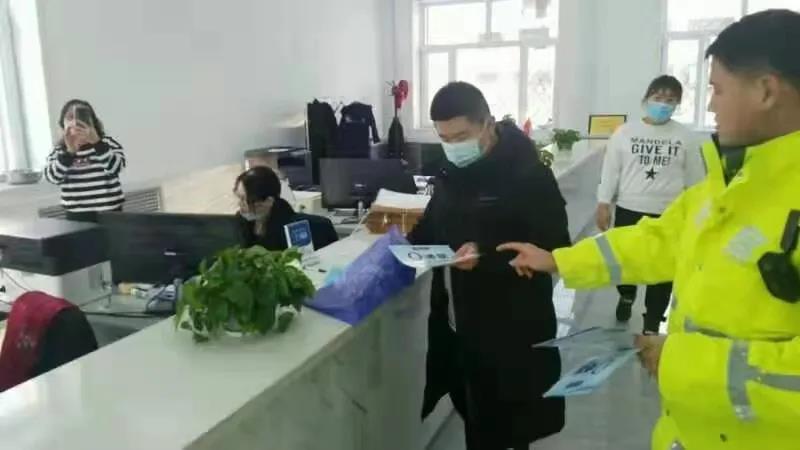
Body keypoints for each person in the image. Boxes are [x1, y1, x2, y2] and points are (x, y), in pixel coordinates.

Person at [498, 9, 800, 449]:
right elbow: (657, 241)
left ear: (766, 91)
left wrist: (677, 360)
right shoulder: (728, 185)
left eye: (718, 89)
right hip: (692, 431)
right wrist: (560, 260)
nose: (711, 105)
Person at [408, 82, 571, 450]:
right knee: (476, 418)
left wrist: (485, 257)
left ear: (488, 123)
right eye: (444, 138)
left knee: (511, 424)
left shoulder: (529, 175)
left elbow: (556, 248)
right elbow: (434, 225)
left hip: (513, 328)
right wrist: (403, 246)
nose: (453, 146)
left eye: (461, 136)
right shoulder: (450, 173)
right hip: (462, 326)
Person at [596, 75, 705, 333]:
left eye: (670, 100)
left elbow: (696, 179)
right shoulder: (625, 133)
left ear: (677, 104)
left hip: (669, 213)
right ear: (646, 99)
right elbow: (611, 171)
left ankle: (653, 321)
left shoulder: (686, 137)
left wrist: (698, 213)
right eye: (658, 98)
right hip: (629, 208)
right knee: (627, 261)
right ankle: (626, 295)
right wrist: (603, 203)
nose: (663, 104)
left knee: (663, 270)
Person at [44, 100, 126, 223]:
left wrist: (97, 143)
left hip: (110, 211)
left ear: (92, 122)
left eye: (82, 116)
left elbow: (116, 168)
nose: (76, 122)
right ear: (63, 124)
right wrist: (69, 153)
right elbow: (52, 178)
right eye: (70, 117)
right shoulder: (60, 150)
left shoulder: (107, 143)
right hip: (77, 215)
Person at [234, 166, 338, 251]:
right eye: (239, 198)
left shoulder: (302, 228)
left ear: (268, 201)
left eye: (244, 199)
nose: (240, 204)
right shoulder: (242, 223)